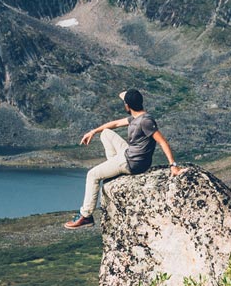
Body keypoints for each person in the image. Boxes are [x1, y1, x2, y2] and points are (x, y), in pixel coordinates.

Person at [64, 87, 184, 229]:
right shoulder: (136, 116)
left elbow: (162, 141)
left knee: (92, 175)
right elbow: (114, 124)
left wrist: (173, 165)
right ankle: (114, 169)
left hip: (132, 162)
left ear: (127, 105)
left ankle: (86, 216)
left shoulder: (145, 121)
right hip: (129, 153)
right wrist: (94, 131)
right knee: (106, 133)